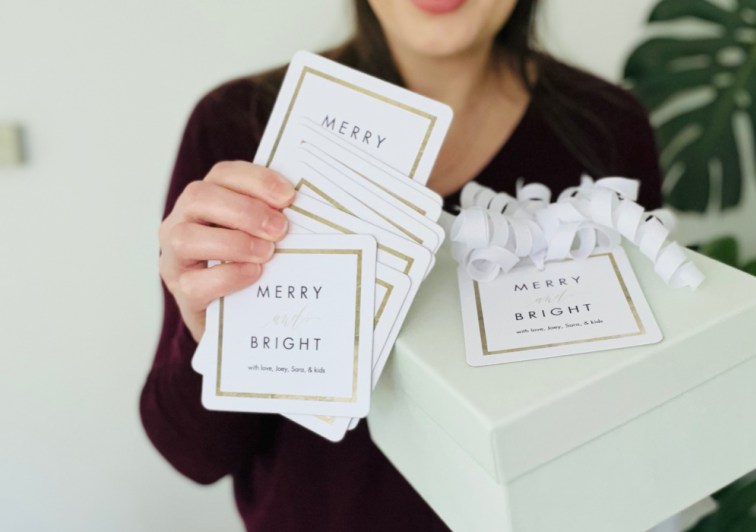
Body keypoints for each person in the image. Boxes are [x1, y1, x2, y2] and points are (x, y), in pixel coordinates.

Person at [141, 0, 663, 530]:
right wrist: (208, 332)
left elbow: (625, 415)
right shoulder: (239, 129)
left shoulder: (609, 130)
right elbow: (194, 456)